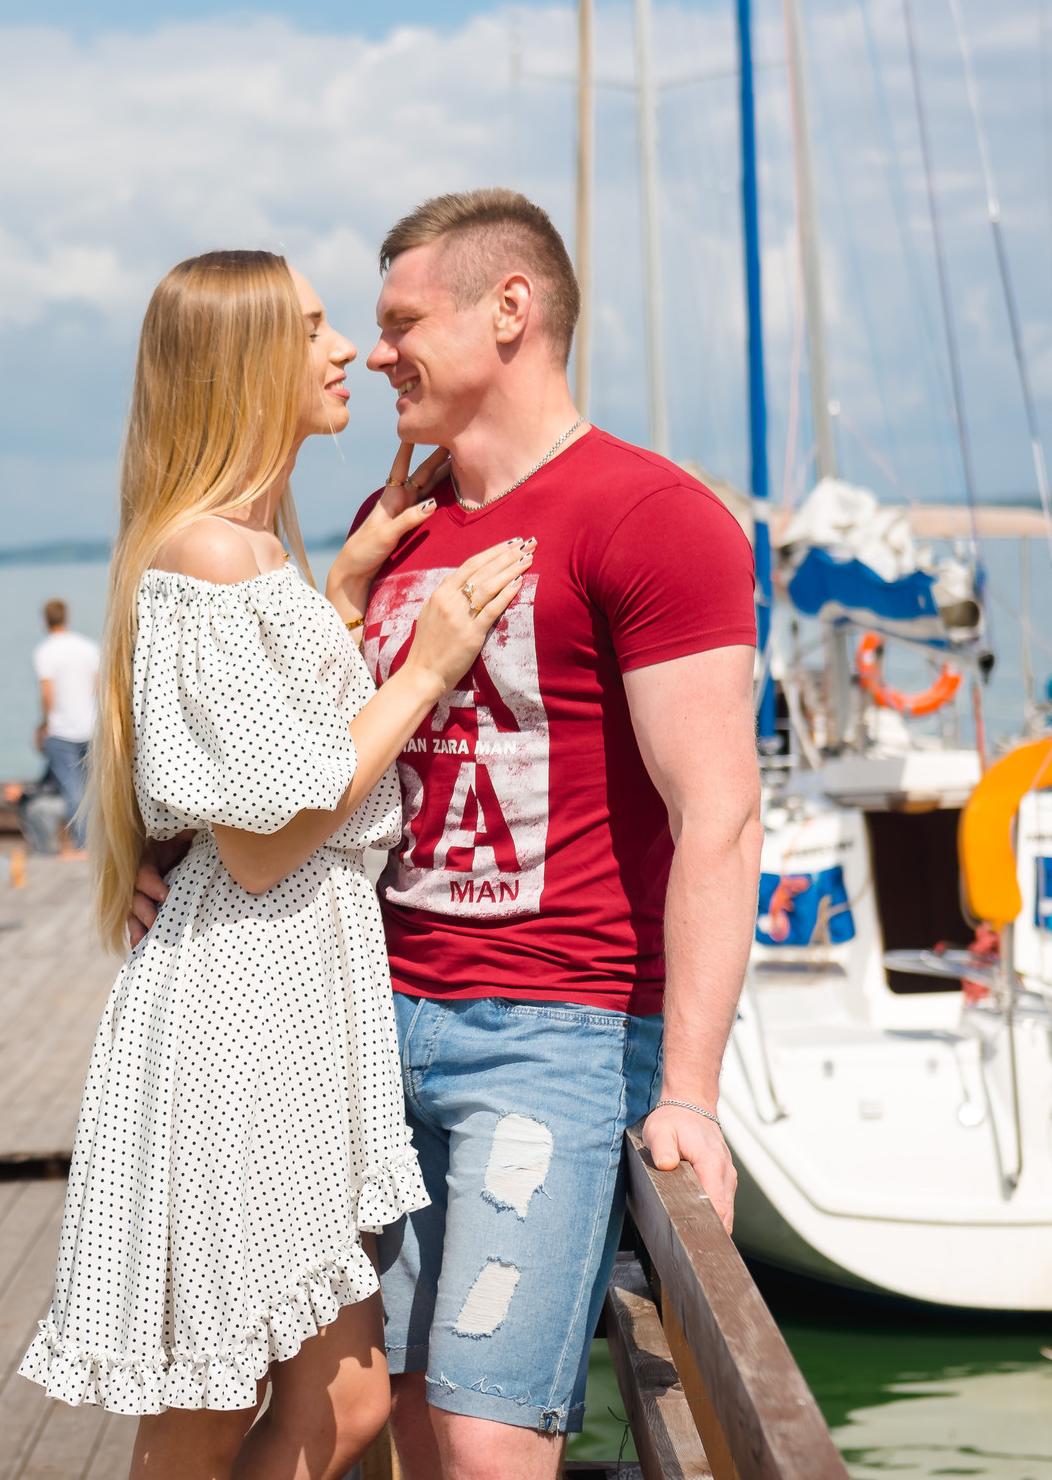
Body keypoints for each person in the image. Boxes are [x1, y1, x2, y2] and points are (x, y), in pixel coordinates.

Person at [140, 189, 761, 1480]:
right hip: (361, 1027)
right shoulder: (401, 520)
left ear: (512, 313)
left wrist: (690, 1086)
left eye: (401, 322)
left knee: (484, 1433)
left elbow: (720, 811)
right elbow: (287, 739)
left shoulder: (652, 514)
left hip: (550, 1034)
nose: (375, 354)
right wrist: (178, 863)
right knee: (398, 1419)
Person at [18, 248, 532, 1480]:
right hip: (245, 1011)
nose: (344, 348)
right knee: (207, 1413)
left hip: (287, 1000)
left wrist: (339, 596)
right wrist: (423, 667)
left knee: (345, 1405)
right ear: (245, 362)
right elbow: (261, 836)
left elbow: (275, 750)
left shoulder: (244, 555)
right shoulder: (207, 555)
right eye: (309, 329)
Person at [31, 598, 100, 859]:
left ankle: (83, 846)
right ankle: (96, 841)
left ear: (44, 621)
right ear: (67, 617)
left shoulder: (44, 652)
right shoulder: (87, 646)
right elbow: (99, 685)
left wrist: (43, 724)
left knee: (72, 789)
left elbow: (47, 695)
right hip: (91, 727)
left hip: (62, 730)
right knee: (92, 788)